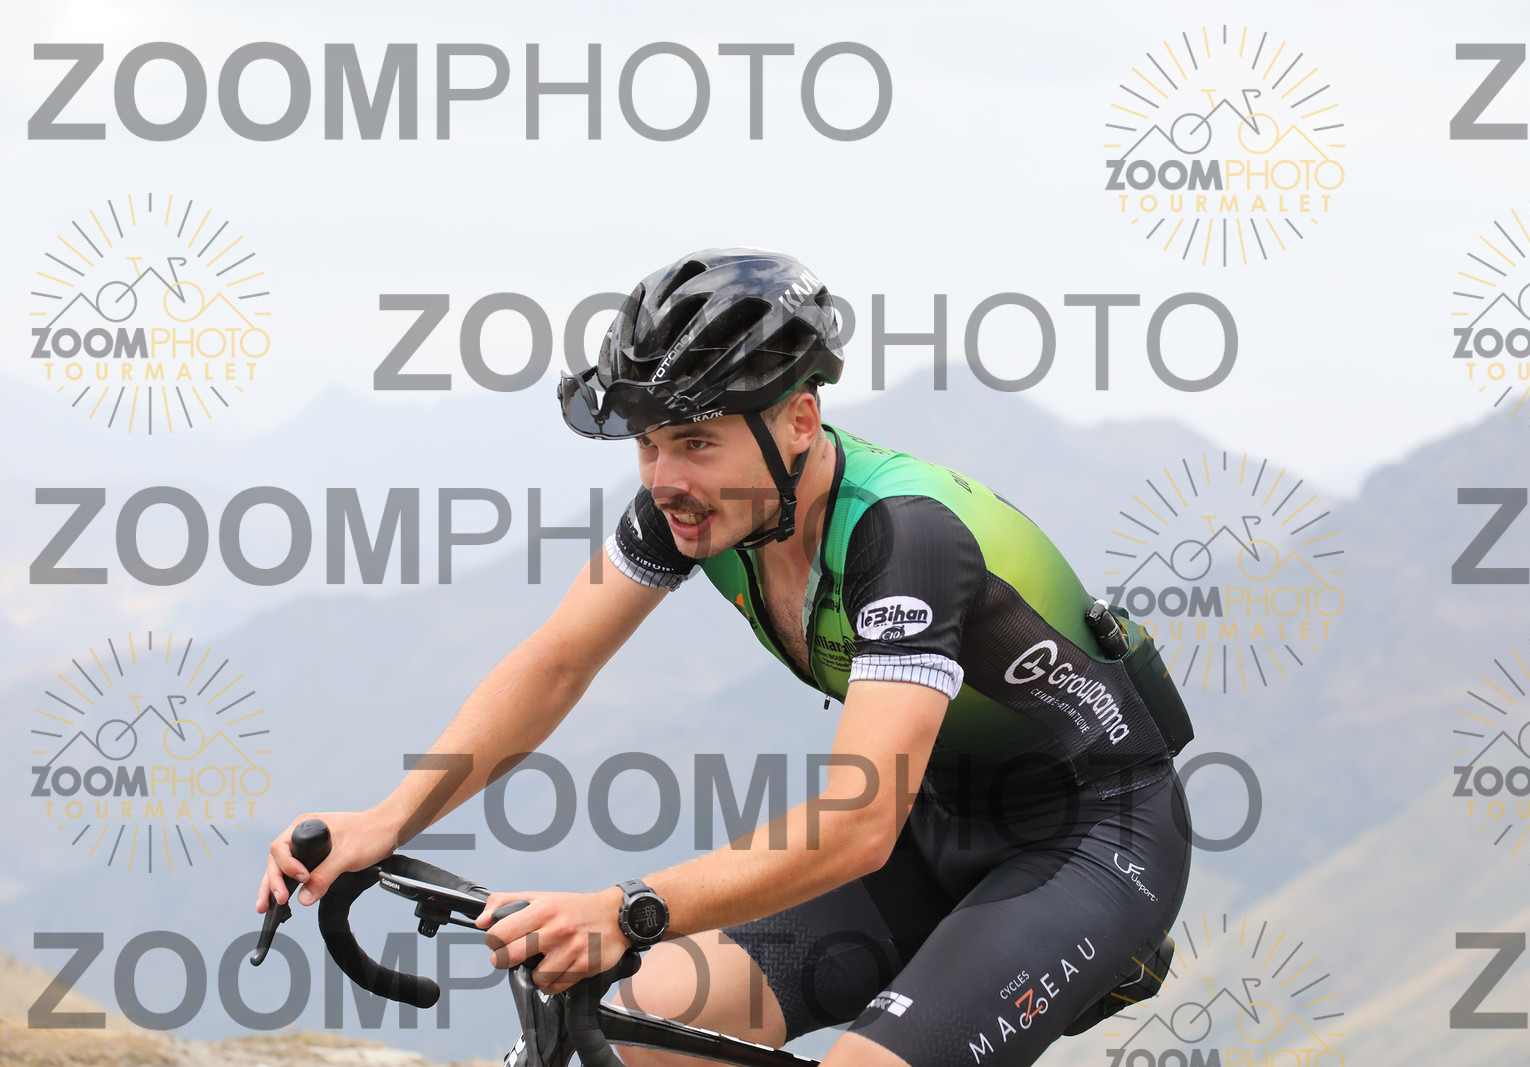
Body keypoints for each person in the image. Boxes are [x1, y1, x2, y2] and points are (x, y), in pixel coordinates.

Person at [258, 248, 1194, 1067]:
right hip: (933, 827)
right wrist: (388, 817)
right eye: (649, 443)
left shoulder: (906, 538)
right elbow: (556, 663)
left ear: (799, 421)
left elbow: (856, 823)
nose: (666, 478)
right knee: (641, 1029)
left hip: (1090, 844)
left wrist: (624, 908)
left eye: (697, 441)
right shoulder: (698, 513)